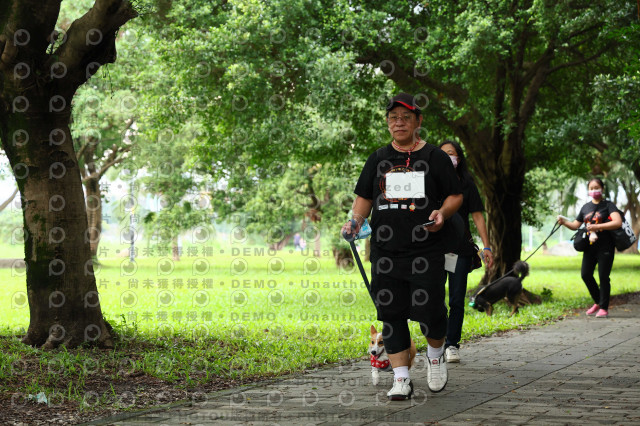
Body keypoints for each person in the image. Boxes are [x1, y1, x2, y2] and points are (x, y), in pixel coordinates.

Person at [341, 93, 463, 400]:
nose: (399, 122)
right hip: (386, 252)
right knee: (390, 313)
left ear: (418, 121)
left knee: (431, 311)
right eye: (393, 117)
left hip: (427, 249)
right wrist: (355, 221)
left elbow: (455, 195)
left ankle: (435, 357)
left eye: (406, 117)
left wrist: (442, 213)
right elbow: (364, 199)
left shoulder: (435, 157)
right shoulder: (377, 158)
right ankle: (401, 379)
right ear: (387, 122)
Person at [438, 140, 494, 363]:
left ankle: (452, 344)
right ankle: (436, 342)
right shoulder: (429, 182)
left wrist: (486, 246)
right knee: (433, 299)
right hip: (433, 249)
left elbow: (478, 216)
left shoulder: (467, 183)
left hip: (458, 250)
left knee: (456, 299)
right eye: (443, 154)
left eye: (451, 154)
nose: (448, 158)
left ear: (459, 159)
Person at [557, 178, 622, 318]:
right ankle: (598, 301)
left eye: (596, 187)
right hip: (589, 247)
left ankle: (604, 308)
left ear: (602, 189)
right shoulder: (585, 207)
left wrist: (597, 227)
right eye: (591, 188)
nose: (594, 190)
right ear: (588, 190)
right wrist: (564, 222)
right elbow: (575, 225)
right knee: (585, 275)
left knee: (603, 277)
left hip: (605, 246)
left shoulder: (609, 205)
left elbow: (617, 222)